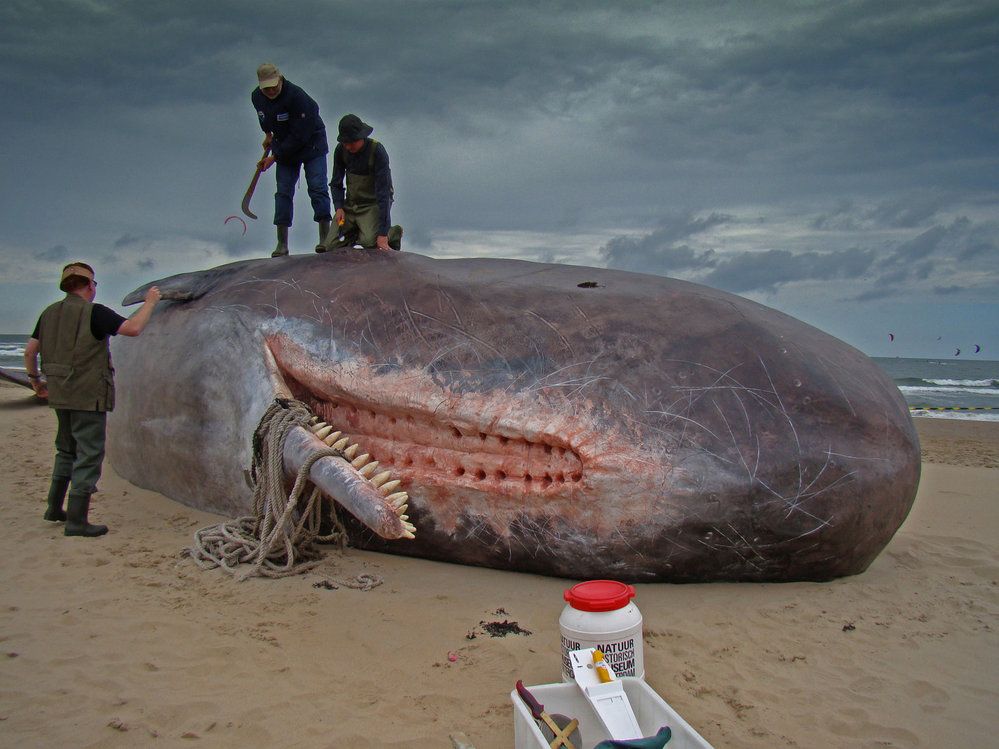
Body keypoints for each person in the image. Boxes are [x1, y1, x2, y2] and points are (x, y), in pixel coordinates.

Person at [24, 263, 161, 537]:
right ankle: (77, 520)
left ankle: (54, 508)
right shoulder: (94, 313)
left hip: (60, 394)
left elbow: (30, 352)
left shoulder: (49, 313)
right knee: (89, 454)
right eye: (94, 284)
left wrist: (36, 381)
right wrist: (150, 302)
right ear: (89, 286)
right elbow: (133, 329)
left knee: (65, 449)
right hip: (88, 396)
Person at [251, 63, 333, 257]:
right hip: (284, 144)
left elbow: (300, 135)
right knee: (283, 192)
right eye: (266, 88)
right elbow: (264, 117)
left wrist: (275, 157)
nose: (271, 90)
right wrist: (268, 135)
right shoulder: (257, 97)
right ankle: (282, 244)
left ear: (280, 79)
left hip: (311, 143)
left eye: (273, 85)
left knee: (317, 187)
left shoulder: (297, 98)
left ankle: (325, 239)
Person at [320, 114, 403, 252]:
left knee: (370, 243)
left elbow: (384, 194)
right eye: (345, 142)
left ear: (362, 136)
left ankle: (393, 233)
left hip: (372, 205)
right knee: (328, 246)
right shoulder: (341, 151)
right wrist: (339, 207)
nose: (348, 146)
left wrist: (382, 234)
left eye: (352, 142)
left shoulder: (377, 151)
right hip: (350, 206)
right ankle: (353, 234)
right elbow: (336, 183)